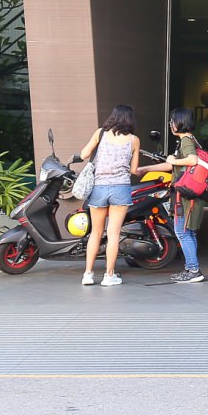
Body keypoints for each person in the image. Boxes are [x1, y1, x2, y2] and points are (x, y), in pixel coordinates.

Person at [136, 107, 206, 284]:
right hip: (190, 195)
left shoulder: (186, 141)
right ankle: (191, 268)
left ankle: (193, 270)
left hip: (185, 196)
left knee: (182, 233)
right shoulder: (190, 140)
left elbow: (192, 160)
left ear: (180, 122)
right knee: (188, 233)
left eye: (172, 121)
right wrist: (145, 169)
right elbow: (171, 166)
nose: (170, 124)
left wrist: (173, 160)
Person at [78, 104, 142, 287]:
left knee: (96, 232)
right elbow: (134, 170)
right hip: (120, 188)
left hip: (99, 187)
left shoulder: (100, 133)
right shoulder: (134, 140)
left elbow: (83, 154)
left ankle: (88, 274)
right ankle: (109, 275)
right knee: (113, 233)